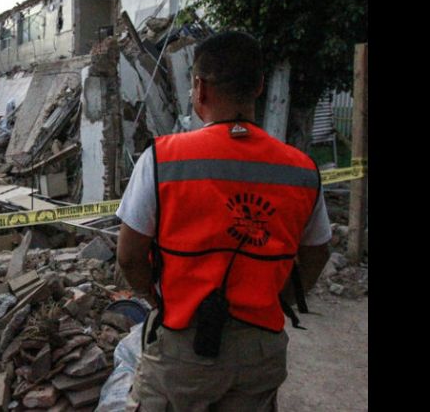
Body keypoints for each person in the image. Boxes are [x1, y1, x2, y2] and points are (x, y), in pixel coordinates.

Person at [116, 31, 332, 411]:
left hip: (183, 344)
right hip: (260, 348)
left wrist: (158, 297)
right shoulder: (301, 170)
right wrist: (277, 298)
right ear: (260, 86)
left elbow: (130, 256)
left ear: (198, 87)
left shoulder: (163, 159)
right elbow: (317, 252)